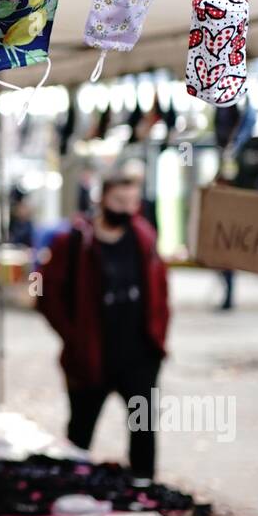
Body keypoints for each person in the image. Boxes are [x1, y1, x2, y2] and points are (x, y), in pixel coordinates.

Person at [37, 174, 169, 480]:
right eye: (119, 201)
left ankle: (143, 489)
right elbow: (43, 290)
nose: (126, 209)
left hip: (139, 356)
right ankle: (71, 489)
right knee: (79, 433)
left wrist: (158, 338)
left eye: (132, 202)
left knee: (143, 430)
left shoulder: (144, 237)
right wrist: (73, 336)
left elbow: (161, 289)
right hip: (91, 356)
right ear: (102, 199)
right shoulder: (72, 242)